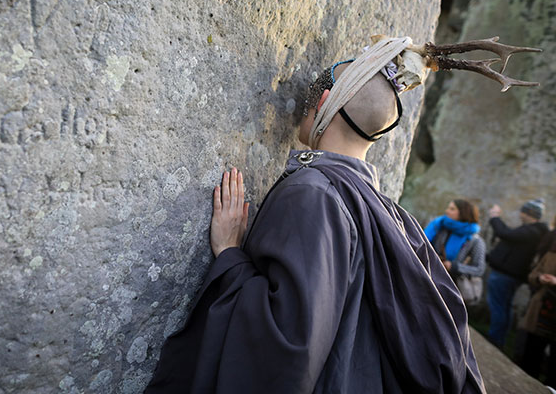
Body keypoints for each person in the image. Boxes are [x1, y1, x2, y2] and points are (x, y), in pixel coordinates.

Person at [145, 38, 485, 393]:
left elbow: (289, 345)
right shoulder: (395, 215)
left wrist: (230, 255)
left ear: (323, 102)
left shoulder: (313, 192)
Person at [486, 200, 549, 349]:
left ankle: (495, 340)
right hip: (508, 275)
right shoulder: (532, 231)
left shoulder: (532, 231)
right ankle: (497, 340)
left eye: (523, 211)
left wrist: (495, 216)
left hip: (505, 275)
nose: (520, 213)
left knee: (499, 308)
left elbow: (505, 233)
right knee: (503, 308)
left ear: (528, 213)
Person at [424, 200, 486, 304]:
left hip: (452, 288)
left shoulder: (475, 241)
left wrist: (454, 267)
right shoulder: (439, 227)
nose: (447, 211)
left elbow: (479, 269)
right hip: (429, 278)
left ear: (463, 213)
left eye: (452, 209)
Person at [518, 235, 556, 387]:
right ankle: (525, 384)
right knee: (532, 351)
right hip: (542, 309)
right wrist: (540, 278)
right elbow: (533, 274)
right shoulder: (551, 254)